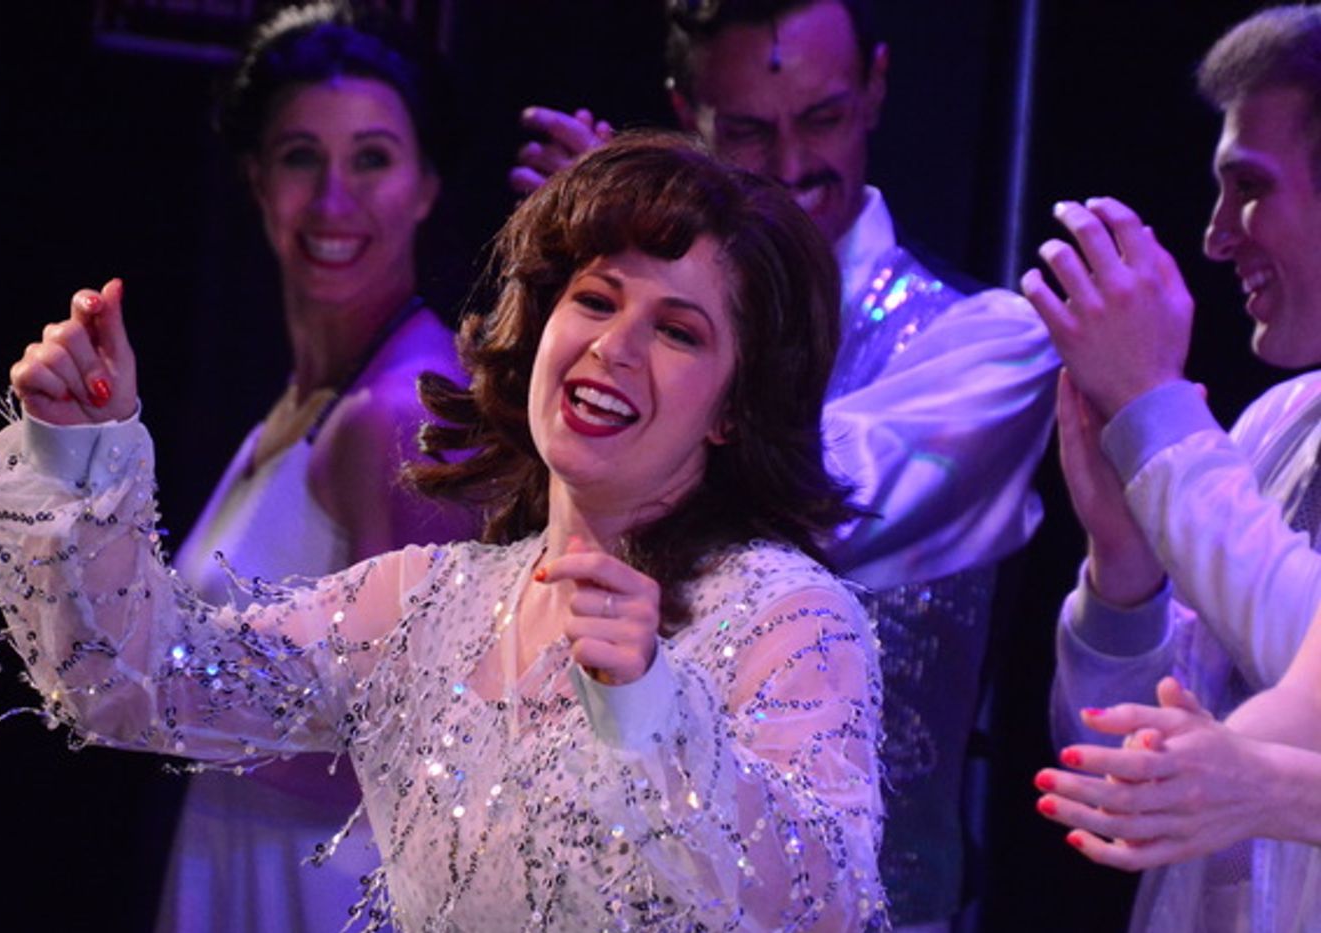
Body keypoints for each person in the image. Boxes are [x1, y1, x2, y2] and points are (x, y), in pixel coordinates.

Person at [0, 133, 888, 931]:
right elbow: (136, 682)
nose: (614, 347)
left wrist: (653, 712)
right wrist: (82, 450)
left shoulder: (787, 617)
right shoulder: (428, 606)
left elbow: (824, 904)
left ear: (734, 407)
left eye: (679, 331)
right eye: (597, 300)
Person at [512, 1, 1058, 926]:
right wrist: (606, 276)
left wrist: (635, 265)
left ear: (876, 87)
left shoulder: (985, 345)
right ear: (687, 114)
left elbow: (798, 496)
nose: (795, 162)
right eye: (748, 132)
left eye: (823, 117)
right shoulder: (623, 334)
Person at [137, 5, 474, 931]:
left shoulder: (402, 410)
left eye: (371, 158)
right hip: (238, 863)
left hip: (331, 893)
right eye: (300, 157)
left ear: (426, 185)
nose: (333, 199)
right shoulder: (299, 402)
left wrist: (157, 697)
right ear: (256, 180)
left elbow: (428, 742)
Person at [1020, 6, 1321, 929]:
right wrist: (1125, 569)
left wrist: (1154, 412)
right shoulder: (1276, 424)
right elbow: (1122, 774)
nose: (1217, 235)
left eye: (1250, 187)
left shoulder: (1200, 449)